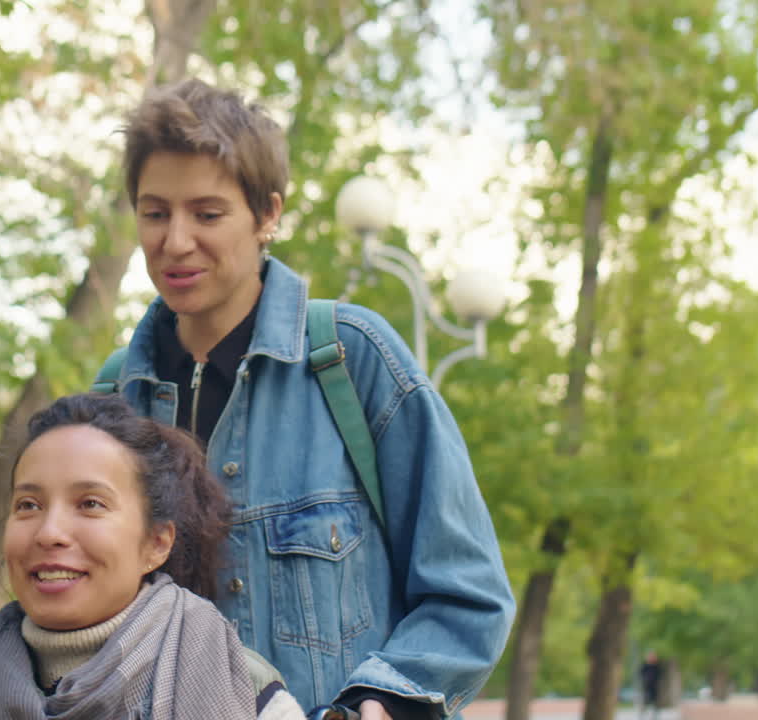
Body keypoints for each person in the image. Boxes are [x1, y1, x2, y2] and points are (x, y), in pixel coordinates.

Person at [96, 78, 517, 719]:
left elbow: (469, 592)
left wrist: (379, 700)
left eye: (207, 214)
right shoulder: (112, 401)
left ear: (268, 215)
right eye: (156, 212)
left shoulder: (353, 360)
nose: (175, 241)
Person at [0, 393, 306, 719]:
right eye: (28, 505)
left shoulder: (242, 691)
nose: (49, 533)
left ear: (156, 544)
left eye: (90, 503)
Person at [639, 651, 662, 719]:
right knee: (645, 702)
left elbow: (660, 675)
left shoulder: (657, 666)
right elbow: (640, 674)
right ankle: (642, 716)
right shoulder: (645, 665)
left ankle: (655, 716)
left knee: (655, 703)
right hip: (647, 687)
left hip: (655, 688)